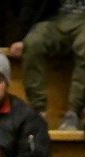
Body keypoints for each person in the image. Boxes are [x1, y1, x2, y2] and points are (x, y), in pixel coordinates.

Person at [11, 0, 85, 130]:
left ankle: (74, 112)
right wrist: (20, 36)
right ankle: (38, 111)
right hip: (56, 18)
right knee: (32, 43)